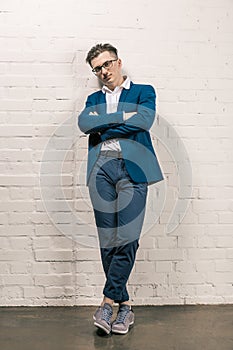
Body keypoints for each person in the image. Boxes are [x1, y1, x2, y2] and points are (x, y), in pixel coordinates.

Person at [78, 43, 163, 335]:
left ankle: (106, 301)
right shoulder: (92, 98)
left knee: (127, 237)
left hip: (133, 168)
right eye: (97, 68)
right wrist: (124, 118)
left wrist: (104, 125)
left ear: (118, 62)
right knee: (108, 239)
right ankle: (124, 306)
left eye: (107, 64)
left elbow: (145, 120)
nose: (103, 71)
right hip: (101, 171)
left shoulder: (144, 92)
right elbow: (83, 124)